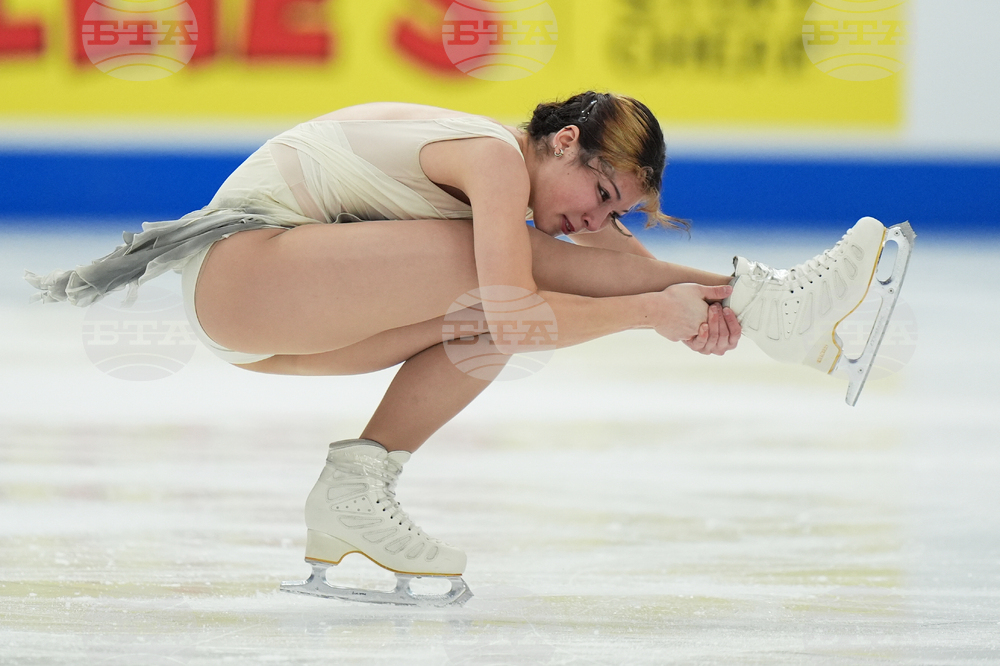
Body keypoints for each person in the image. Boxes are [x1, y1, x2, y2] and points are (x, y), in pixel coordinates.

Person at [25, 91, 910, 606]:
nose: (596, 219)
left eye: (615, 211)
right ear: (565, 141)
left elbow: (615, 272)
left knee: (494, 308)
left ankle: (354, 490)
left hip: (274, 324)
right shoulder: (492, 158)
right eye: (601, 194)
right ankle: (785, 310)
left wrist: (700, 306)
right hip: (241, 276)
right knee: (499, 284)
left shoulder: (534, 191)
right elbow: (535, 305)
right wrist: (658, 312)